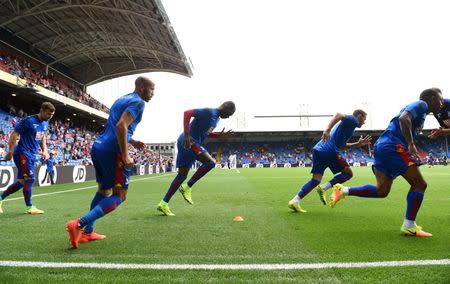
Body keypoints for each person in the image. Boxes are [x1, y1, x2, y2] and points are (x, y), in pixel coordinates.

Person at [329, 88, 443, 237]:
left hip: (383, 147)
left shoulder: (421, 111)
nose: (441, 104)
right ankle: (409, 225)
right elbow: (404, 118)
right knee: (419, 184)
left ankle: (343, 190)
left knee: (382, 191)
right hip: (393, 146)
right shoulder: (422, 104)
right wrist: (410, 143)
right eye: (440, 100)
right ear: (432, 98)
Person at [66, 76, 154, 249]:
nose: (153, 93)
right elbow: (121, 126)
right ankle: (79, 224)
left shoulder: (122, 99)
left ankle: (88, 232)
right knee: (120, 196)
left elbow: (118, 126)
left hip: (98, 147)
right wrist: (126, 154)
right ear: (141, 87)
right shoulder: (138, 103)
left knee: (103, 190)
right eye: (151, 89)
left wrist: (132, 141)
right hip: (113, 152)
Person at [157, 101, 236, 216]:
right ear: (225, 107)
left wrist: (218, 136)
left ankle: (163, 203)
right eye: (229, 114)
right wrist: (187, 134)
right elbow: (187, 113)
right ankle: (187, 186)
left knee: (182, 175)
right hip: (189, 141)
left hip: (189, 142)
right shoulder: (209, 112)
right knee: (210, 163)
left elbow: (205, 133)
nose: (228, 117)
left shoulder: (216, 118)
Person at [288, 110, 370, 213]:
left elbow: (341, 146)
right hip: (330, 150)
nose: (364, 122)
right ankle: (323, 188)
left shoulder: (347, 126)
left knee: (315, 180)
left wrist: (356, 144)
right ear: (359, 116)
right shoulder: (353, 121)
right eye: (364, 119)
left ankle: (294, 201)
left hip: (319, 149)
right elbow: (338, 114)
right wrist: (326, 130)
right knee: (348, 174)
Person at [0, 102, 55, 214]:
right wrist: (10, 151)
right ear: (42, 110)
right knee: (30, 179)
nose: (50, 116)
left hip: (31, 154)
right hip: (22, 153)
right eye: (48, 114)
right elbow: (14, 134)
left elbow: (42, 136)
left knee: (21, 182)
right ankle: (30, 207)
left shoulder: (45, 123)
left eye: (52, 115)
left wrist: (44, 150)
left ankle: (0, 198)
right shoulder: (29, 121)